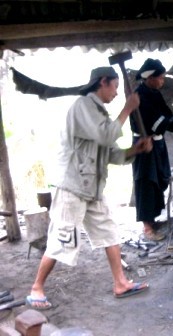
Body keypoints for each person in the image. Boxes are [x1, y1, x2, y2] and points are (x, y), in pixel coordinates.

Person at [26, 66, 153, 310]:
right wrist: (128, 109)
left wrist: (135, 150)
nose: (117, 93)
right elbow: (106, 136)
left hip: (92, 189)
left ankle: (120, 283)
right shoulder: (83, 106)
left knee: (109, 232)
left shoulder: (100, 114)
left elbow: (110, 153)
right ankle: (36, 288)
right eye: (115, 86)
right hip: (72, 187)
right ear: (102, 82)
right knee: (63, 239)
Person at [132, 58, 173, 241]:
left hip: (157, 144)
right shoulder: (139, 96)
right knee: (147, 181)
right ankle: (147, 227)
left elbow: (167, 116)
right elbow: (156, 120)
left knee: (159, 179)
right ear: (150, 78)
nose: (163, 81)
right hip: (144, 145)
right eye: (160, 78)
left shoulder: (153, 93)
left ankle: (153, 220)